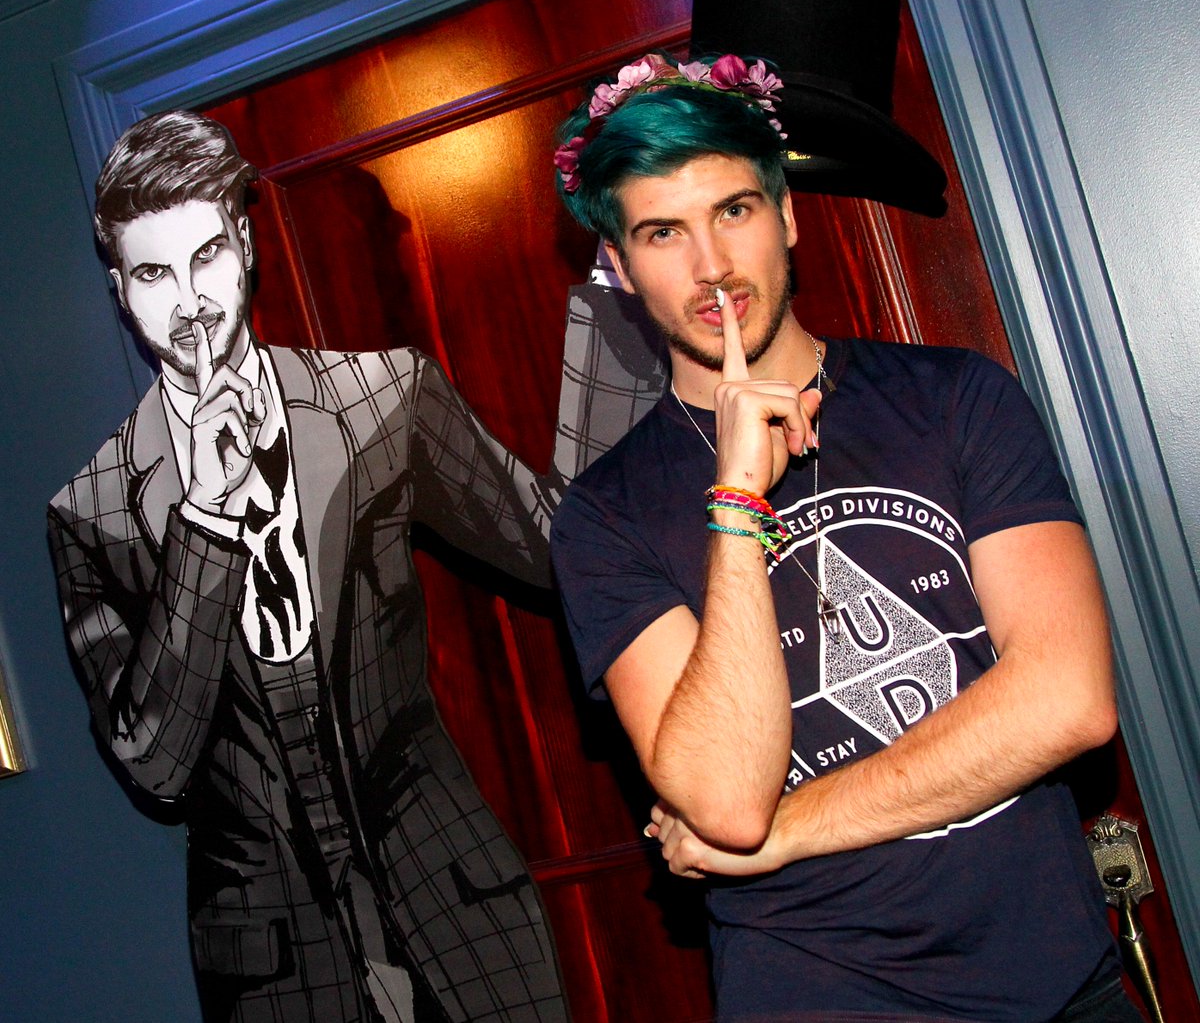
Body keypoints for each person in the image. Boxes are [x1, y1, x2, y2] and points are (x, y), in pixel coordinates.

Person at [549, 50, 1138, 1021]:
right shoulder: (604, 516)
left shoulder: (955, 399)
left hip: (1060, 984)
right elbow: (727, 801)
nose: (711, 266)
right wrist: (736, 499)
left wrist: (787, 831)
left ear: (786, 215)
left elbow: (1068, 700)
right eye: (663, 231)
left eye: (734, 210)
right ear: (618, 264)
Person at [47, 112, 568, 1023]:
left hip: (455, 899)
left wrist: (625, 328)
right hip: (271, 968)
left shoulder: (381, 397)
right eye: (155, 274)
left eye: (207, 255)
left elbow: (559, 551)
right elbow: (156, 766)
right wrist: (205, 520)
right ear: (120, 292)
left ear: (246, 246)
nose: (191, 301)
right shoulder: (90, 512)